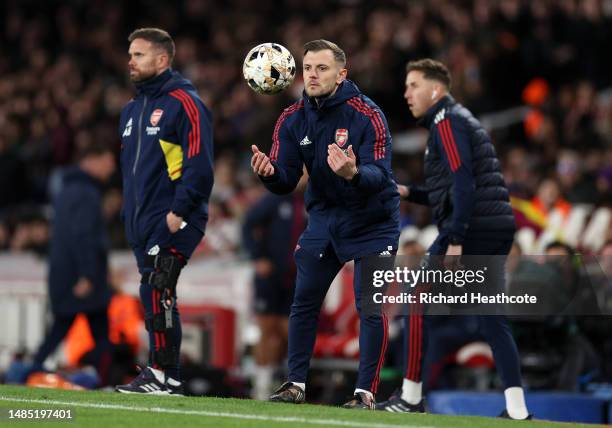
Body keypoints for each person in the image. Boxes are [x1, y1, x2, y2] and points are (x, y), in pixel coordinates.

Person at [377, 59, 531, 420]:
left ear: (436, 90)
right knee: (493, 318)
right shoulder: (458, 122)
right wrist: (406, 191)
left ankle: (411, 396)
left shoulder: (447, 121)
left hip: (472, 227)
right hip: (495, 225)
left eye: (413, 85)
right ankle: (518, 409)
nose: (406, 93)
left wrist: (457, 237)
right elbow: (447, 191)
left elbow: (463, 181)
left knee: (416, 301)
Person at [250, 39, 400, 409]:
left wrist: (352, 173)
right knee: (303, 302)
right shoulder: (291, 118)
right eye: (308, 68)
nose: (312, 75)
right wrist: (270, 174)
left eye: (322, 68)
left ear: (341, 74)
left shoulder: (368, 115)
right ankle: (295, 384)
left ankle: (364, 394)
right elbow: (286, 179)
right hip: (325, 220)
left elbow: (380, 175)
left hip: (374, 223)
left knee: (369, 305)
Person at [115, 28, 214, 395]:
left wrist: (178, 212)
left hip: (176, 217)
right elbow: (132, 174)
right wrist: (129, 217)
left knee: (159, 284)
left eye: (139, 54)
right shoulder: (131, 110)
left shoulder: (184, 102)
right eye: (130, 53)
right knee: (153, 291)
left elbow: (199, 166)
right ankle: (168, 375)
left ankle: (160, 373)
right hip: (142, 223)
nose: (130, 60)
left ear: (162, 60)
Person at [31, 144, 116, 383]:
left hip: (67, 274)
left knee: (72, 329)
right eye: (107, 161)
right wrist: (88, 274)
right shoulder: (85, 192)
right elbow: (83, 235)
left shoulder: (67, 189)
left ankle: (31, 370)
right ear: (91, 160)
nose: (111, 168)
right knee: (85, 332)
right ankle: (104, 380)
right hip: (78, 277)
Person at [242, 176, 307, 400]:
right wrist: (257, 257)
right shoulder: (275, 198)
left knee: (287, 332)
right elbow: (248, 223)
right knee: (267, 329)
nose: (304, 177)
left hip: (296, 277)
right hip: (270, 276)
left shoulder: (311, 202)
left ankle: (278, 380)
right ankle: (260, 385)